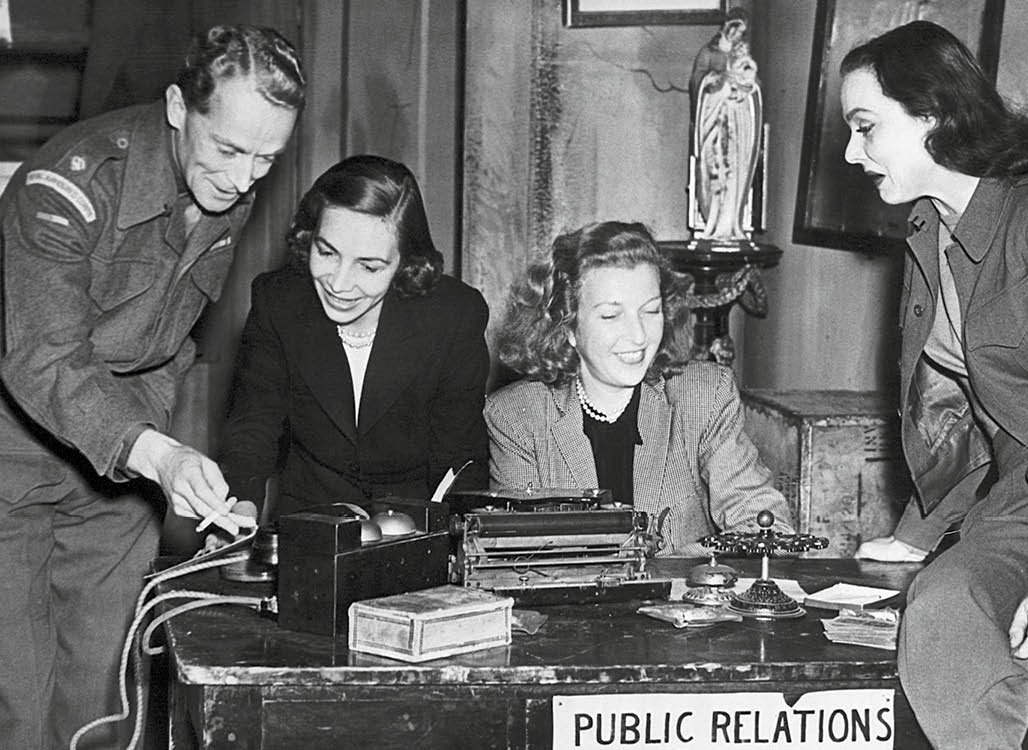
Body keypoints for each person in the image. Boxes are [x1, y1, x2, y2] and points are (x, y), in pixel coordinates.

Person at [0, 24, 304, 750]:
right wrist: (158, 453)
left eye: (266, 159)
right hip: (11, 457)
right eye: (228, 149)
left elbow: (177, 336)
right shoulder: (65, 187)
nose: (240, 180)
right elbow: (42, 357)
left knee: (103, 700)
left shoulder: (228, 193)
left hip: (119, 478)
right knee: (18, 698)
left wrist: (160, 454)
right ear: (177, 107)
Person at [840, 20, 1028, 748]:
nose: (853, 154)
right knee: (944, 616)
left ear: (934, 115)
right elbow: (960, 409)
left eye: (866, 128)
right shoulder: (927, 230)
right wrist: (918, 533)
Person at [485, 220, 792, 555]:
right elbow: (515, 556)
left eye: (650, 311)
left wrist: (672, 569)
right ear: (568, 327)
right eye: (611, 316)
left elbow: (767, 526)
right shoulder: (517, 417)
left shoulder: (703, 395)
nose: (638, 336)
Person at [217, 155, 489, 522]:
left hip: (415, 527)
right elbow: (253, 427)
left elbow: (459, 462)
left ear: (405, 263)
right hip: (308, 523)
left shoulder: (454, 316)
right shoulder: (277, 302)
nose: (339, 284)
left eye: (369, 266)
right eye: (327, 252)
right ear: (308, 238)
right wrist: (238, 510)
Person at [688, 7, 762, 242]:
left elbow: (754, 85)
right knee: (713, 171)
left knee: (734, 175)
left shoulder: (742, 54)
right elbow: (697, 83)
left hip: (737, 124)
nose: (738, 36)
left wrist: (746, 86)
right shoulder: (709, 53)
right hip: (714, 122)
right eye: (735, 29)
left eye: (742, 32)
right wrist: (718, 81)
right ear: (727, 27)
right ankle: (712, 221)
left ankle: (731, 223)